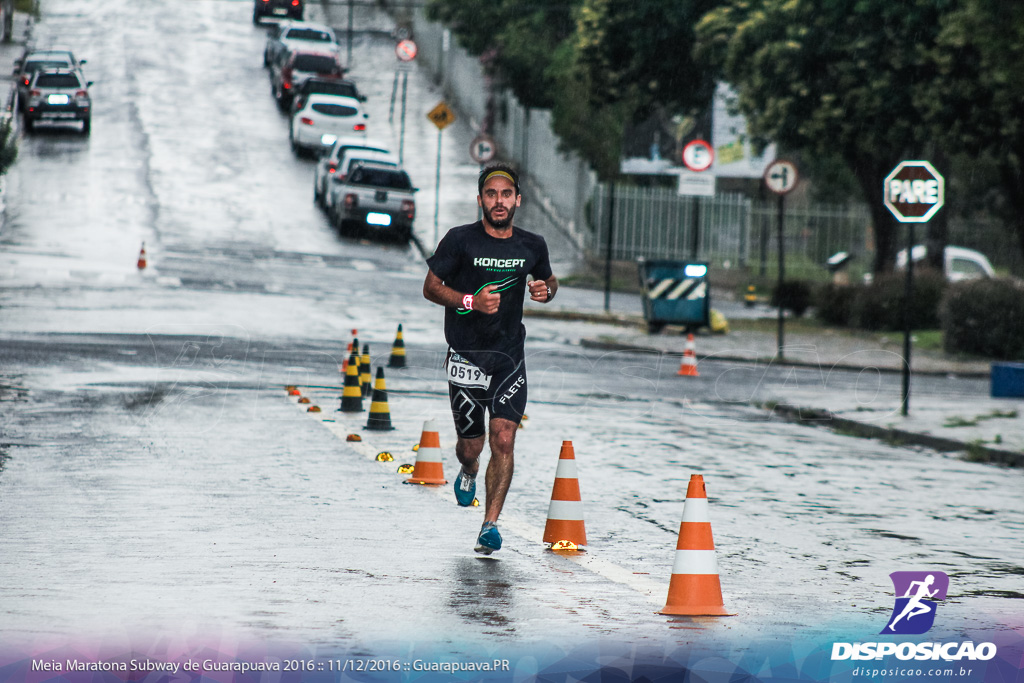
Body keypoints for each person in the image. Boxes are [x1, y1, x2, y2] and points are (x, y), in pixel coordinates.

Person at [422, 163, 558, 554]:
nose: (498, 201)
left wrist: (545, 290)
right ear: (481, 199)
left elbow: (549, 280)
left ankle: (490, 524)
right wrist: (470, 301)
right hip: (466, 355)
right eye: (491, 194)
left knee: (504, 436)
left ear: (517, 199)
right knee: (472, 446)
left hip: (508, 356)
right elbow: (431, 287)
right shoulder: (460, 240)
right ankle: (467, 469)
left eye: (505, 194)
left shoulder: (532, 245)